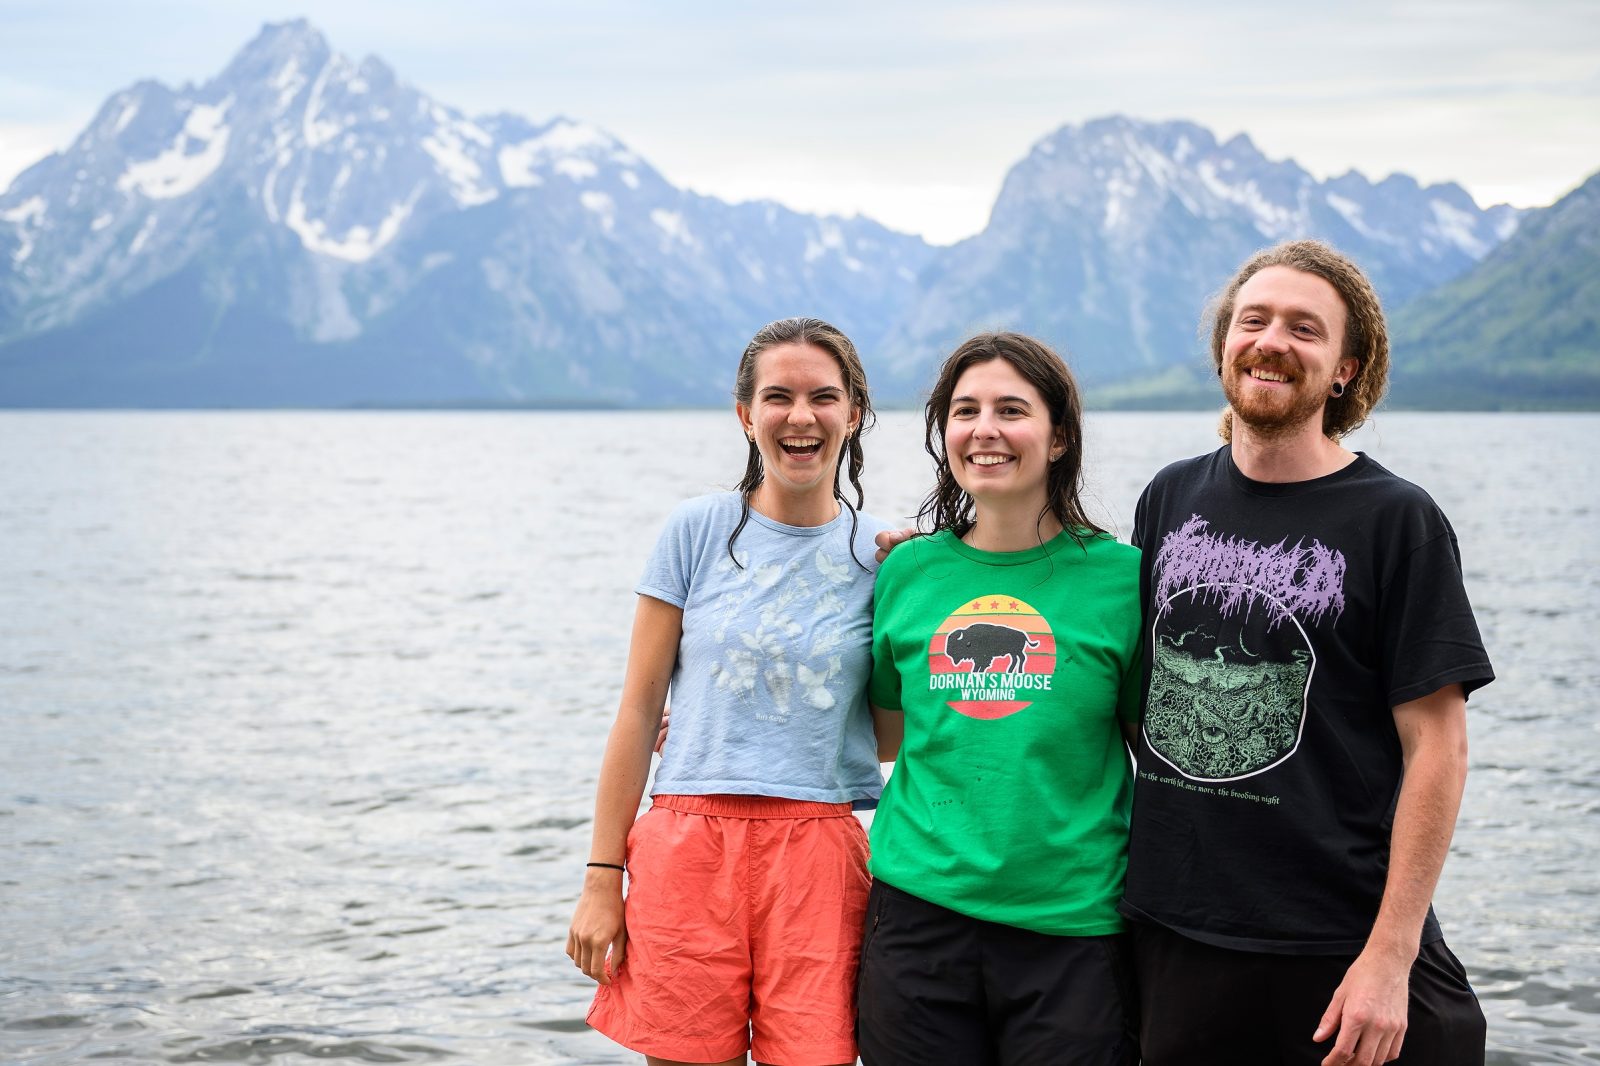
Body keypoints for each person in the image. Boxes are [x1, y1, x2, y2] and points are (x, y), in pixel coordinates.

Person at [1121, 239, 1494, 1066]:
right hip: (1173, 929)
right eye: (1252, 320)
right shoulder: (1171, 495)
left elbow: (1439, 746)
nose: (1271, 341)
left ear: (1345, 371)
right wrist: (926, 556)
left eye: (1304, 328)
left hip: (1334, 943)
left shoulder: (1397, 519)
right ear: (1225, 345)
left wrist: (1391, 958)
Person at [565, 317, 893, 1066]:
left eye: (823, 397)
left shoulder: (885, 558)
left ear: (854, 414)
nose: (800, 416)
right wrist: (601, 877)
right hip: (687, 846)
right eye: (777, 397)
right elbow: (639, 708)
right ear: (746, 415)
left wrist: (925, 602)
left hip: (818, 849)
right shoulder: (696, 530)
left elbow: (890, 737)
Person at [858, 332, 1142, 1065]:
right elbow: (889, 738)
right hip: (919, 920)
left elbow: (1154, 744)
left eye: (1011, 410)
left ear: (1059, 438)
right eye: (964, 411)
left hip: (1073, 929)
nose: (984, 430)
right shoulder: (906, 571)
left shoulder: (1123, 581)